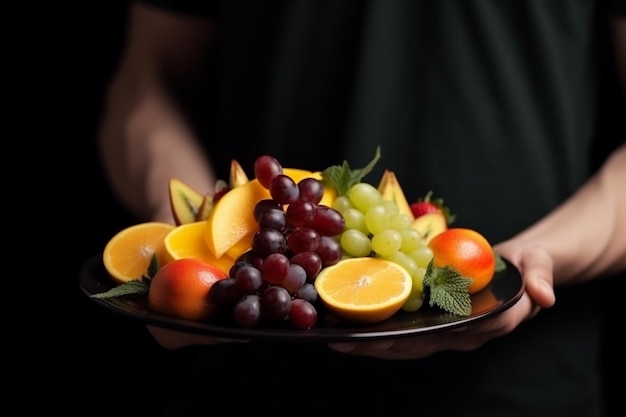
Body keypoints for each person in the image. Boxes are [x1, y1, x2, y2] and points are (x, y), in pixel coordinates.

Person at [97, 0, 625, 415]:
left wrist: (545, 253)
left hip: (523, 389)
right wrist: (190, 235)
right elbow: (145, 83)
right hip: (246, 379)